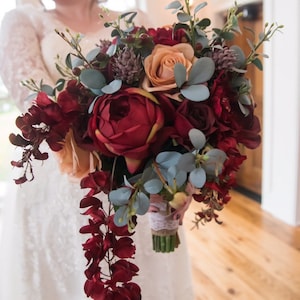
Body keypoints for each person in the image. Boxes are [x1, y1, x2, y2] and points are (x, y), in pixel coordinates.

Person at [0, 0, 195, 299]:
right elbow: (35, 105)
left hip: (140, 183)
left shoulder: (134, 19)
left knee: (150, 277)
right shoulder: (23, 21)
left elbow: (173, 104)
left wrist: (180, 173)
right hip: (66, 184)